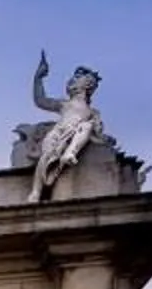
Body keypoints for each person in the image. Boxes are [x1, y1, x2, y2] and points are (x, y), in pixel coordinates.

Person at [23, 53, 107, 202]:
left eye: (76, 78)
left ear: (87, 84)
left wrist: (99, 132)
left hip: (77, 132)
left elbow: (98, 132)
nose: (71, 81)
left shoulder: (92, 112)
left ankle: (70, 153)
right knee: (46, 157)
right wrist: (38, 78)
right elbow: (40, 100)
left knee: (87, 126)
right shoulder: (64, 104)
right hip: (59, 133)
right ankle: (36, 191)